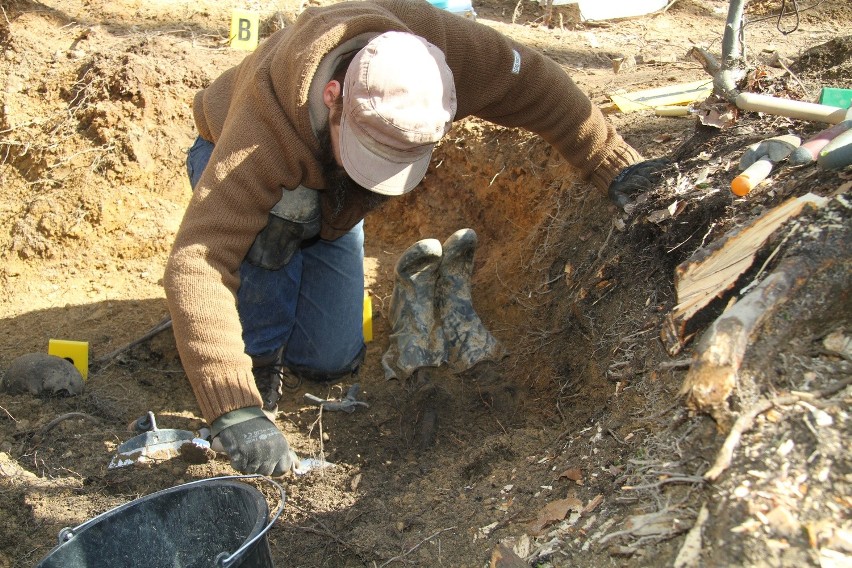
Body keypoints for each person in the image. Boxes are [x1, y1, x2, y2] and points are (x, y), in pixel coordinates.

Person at [164, 0, 665, 476]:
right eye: (369, 155)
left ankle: (297, 266)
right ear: (333, 97)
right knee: (278, 227)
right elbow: (199, 262)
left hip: (331, 199)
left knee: (329, 359)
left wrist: (611, 162)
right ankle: (261, 353)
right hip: (243, 164)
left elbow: (535, 84)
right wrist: (232, 408)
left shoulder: (438, 57)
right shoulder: (260, 133)